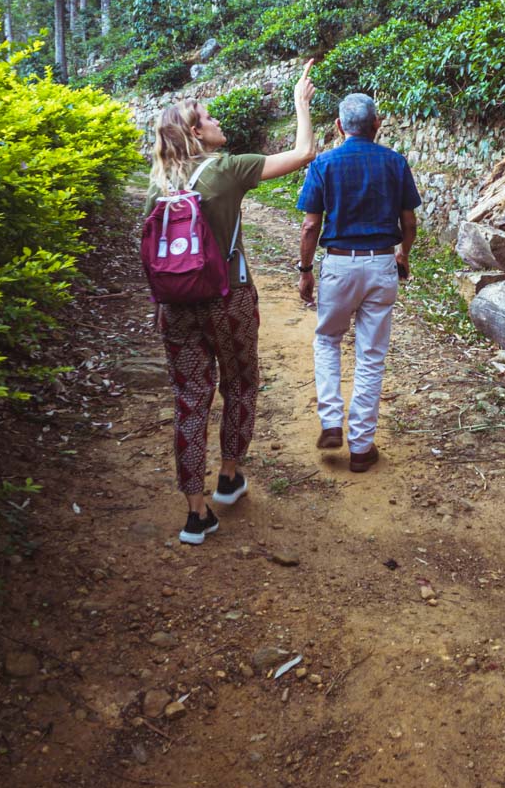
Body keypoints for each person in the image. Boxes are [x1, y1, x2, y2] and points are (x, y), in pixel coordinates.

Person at [146, 61, 316, 544]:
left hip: (176, 308)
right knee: (240, 383)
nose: (218, 121)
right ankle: (228, 477)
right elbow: (303, 152)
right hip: (229, 300)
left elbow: (153, 256)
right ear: (196, 134)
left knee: (189, 401)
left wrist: (162, 303)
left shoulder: (160, 187)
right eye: (209, 116)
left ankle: (196, 514)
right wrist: (301, 101)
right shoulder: (226, 170)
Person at [296, 93, 421, 472]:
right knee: (371, 355)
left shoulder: (324, 164)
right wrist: (404, 255)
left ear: (338, 126)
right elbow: (409, 224)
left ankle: (331, 420)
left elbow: (310, 225)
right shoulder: (395, 162)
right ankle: (362, 447)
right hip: (382, 263)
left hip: (338, 266)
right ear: (377, 124)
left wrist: (305, 270)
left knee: (328, 339)